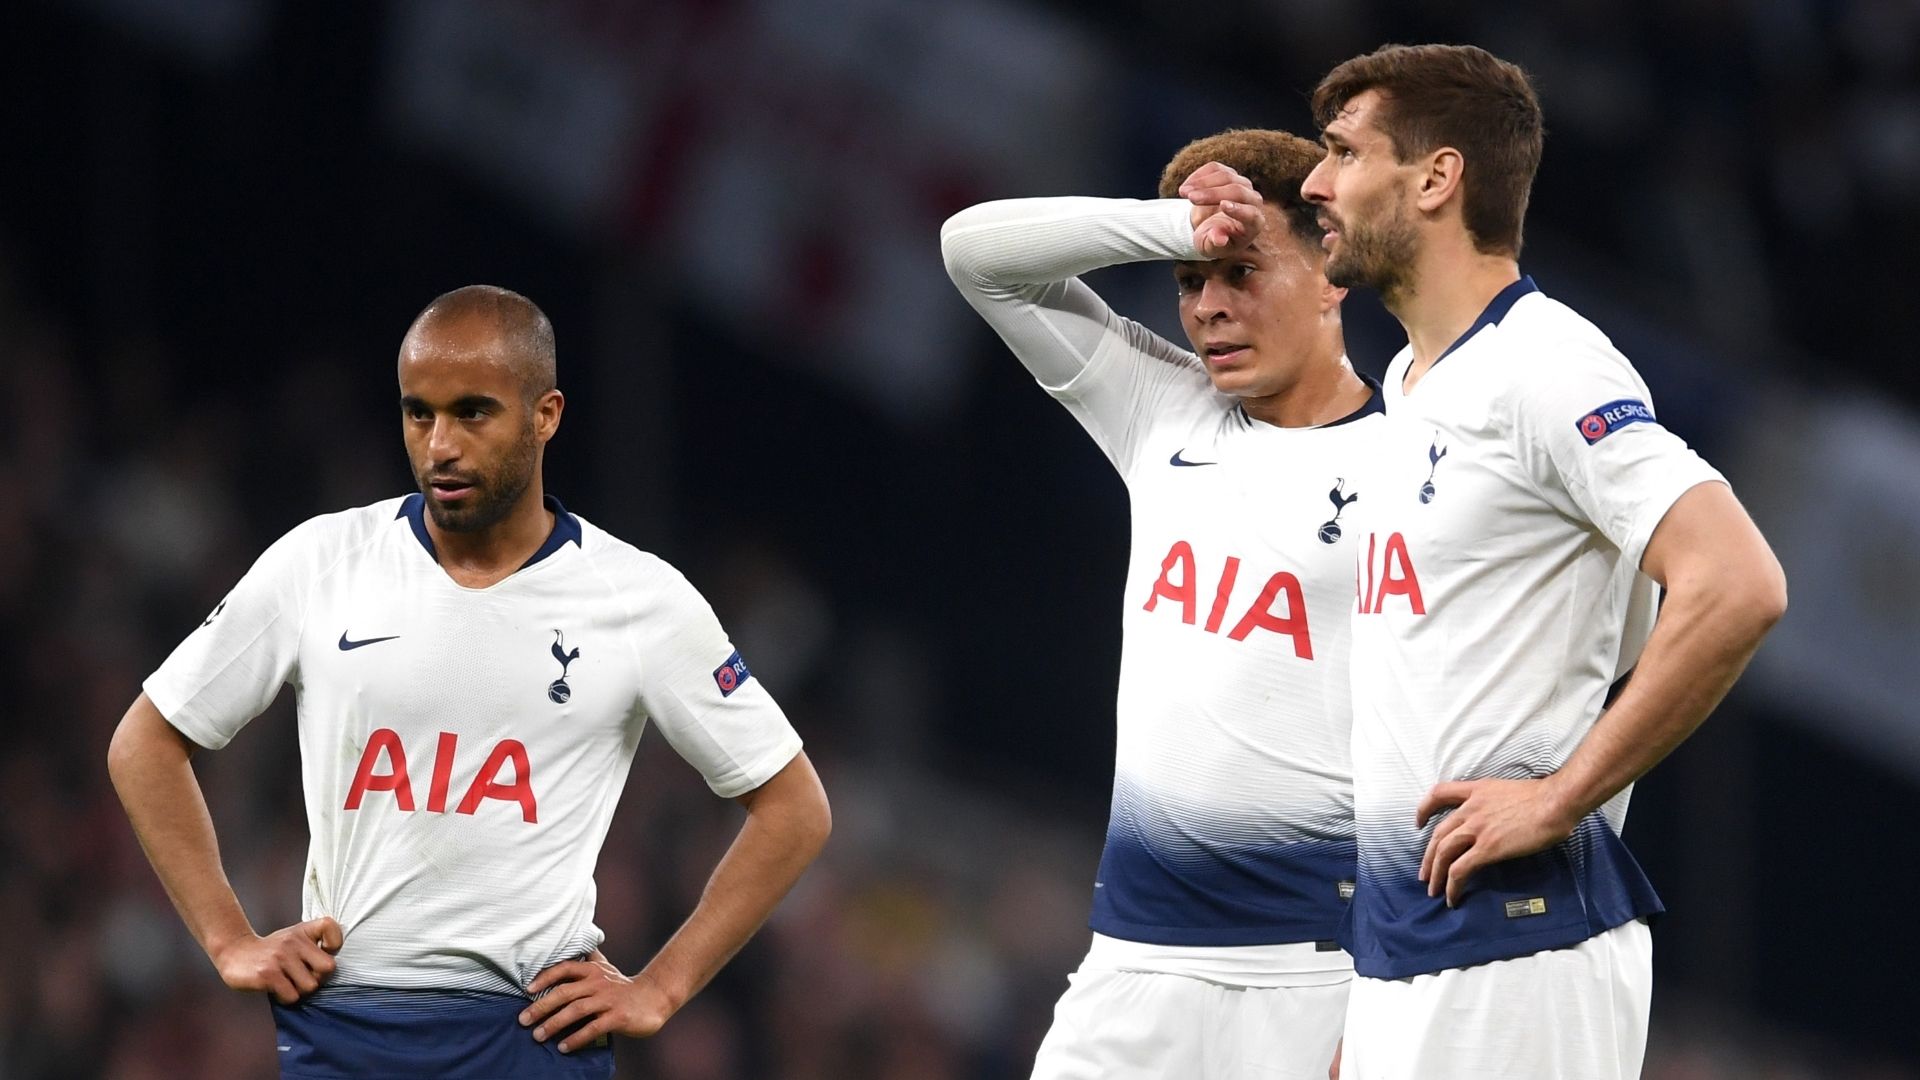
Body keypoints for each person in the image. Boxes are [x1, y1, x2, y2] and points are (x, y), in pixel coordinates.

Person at [106, 285, 831, 1078]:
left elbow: (793, 807)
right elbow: (146, 740)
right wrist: (227, 938)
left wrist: (661, 987)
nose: (439, 444)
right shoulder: (323, 561)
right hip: (345, 1033)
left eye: (472, 413)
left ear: (545, 415)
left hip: (531, 1038)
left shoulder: (637, 597)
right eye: (419, 413)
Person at [1300, 44, 1787, 1079]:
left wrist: (1562, 793)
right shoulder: (1409, 385)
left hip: (1519, 949)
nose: (1314, 183)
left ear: (1435, 179)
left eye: (1343, 153)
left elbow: (1737, 581)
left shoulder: (1546, 366)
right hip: (1414, 960)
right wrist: (1371, 993)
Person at [942, 129, 1380, 1079]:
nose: (1211, 308)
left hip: (1313, 979)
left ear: (1333, 270)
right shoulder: (1162, 409)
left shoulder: (1417, 468)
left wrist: (1387, 1000)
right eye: (1190, 281)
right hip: (1131, 965)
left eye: (1242, 270)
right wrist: (1172, 223)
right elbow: (973, 251)